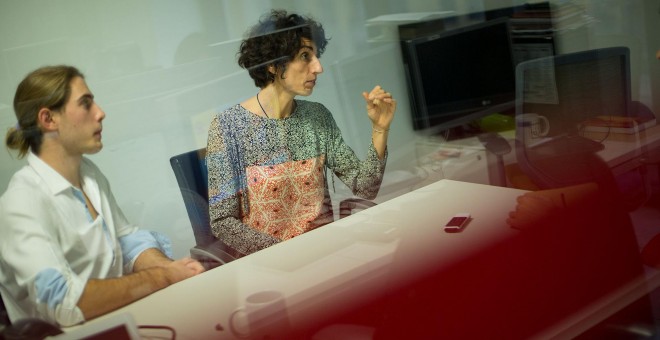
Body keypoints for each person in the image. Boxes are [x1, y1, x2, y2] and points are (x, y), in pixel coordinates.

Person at [0, 65, 205, 327]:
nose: (100, 112)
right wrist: (162, 278)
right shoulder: (21, 203)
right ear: (49, 120)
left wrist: (170, 269)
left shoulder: (87, 172)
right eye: (86, 104)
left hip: (117, 323)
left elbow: (127, 240)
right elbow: (63, 302)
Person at [207, 9, 396, 255]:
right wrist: (287, 255)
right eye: (305, 56)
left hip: (328, 253)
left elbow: (365, 188)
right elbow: (223, 222)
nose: (318, 68)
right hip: (272, 266)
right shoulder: (228, 127)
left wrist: (380, 129)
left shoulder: (317, 116)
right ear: (274, 65)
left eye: (316, 56)